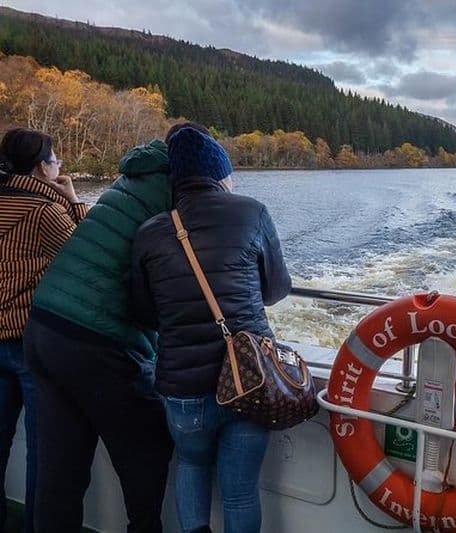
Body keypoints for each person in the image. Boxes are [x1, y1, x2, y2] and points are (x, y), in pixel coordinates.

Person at [23, 124, 204, 532]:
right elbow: (172, 282)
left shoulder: (132, 178)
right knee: (147, 448)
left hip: (45, 325)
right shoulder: (177, 194)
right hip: (95, 338)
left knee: (61, 468)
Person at [130, 128, 291, 533]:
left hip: (184, 387)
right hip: (250, 380)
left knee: (190, 463)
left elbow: (145, 313)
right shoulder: (252, 212)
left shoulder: (150, 231)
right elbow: (276, 290)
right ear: (221, 174)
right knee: (239, 492)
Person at [0, 128, 87, 533]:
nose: (60, 167)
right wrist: (72, 201)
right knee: (43, 449)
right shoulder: (43, 211)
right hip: (26, 344)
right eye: (56, 161)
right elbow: (86, 256)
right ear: (41, 167)